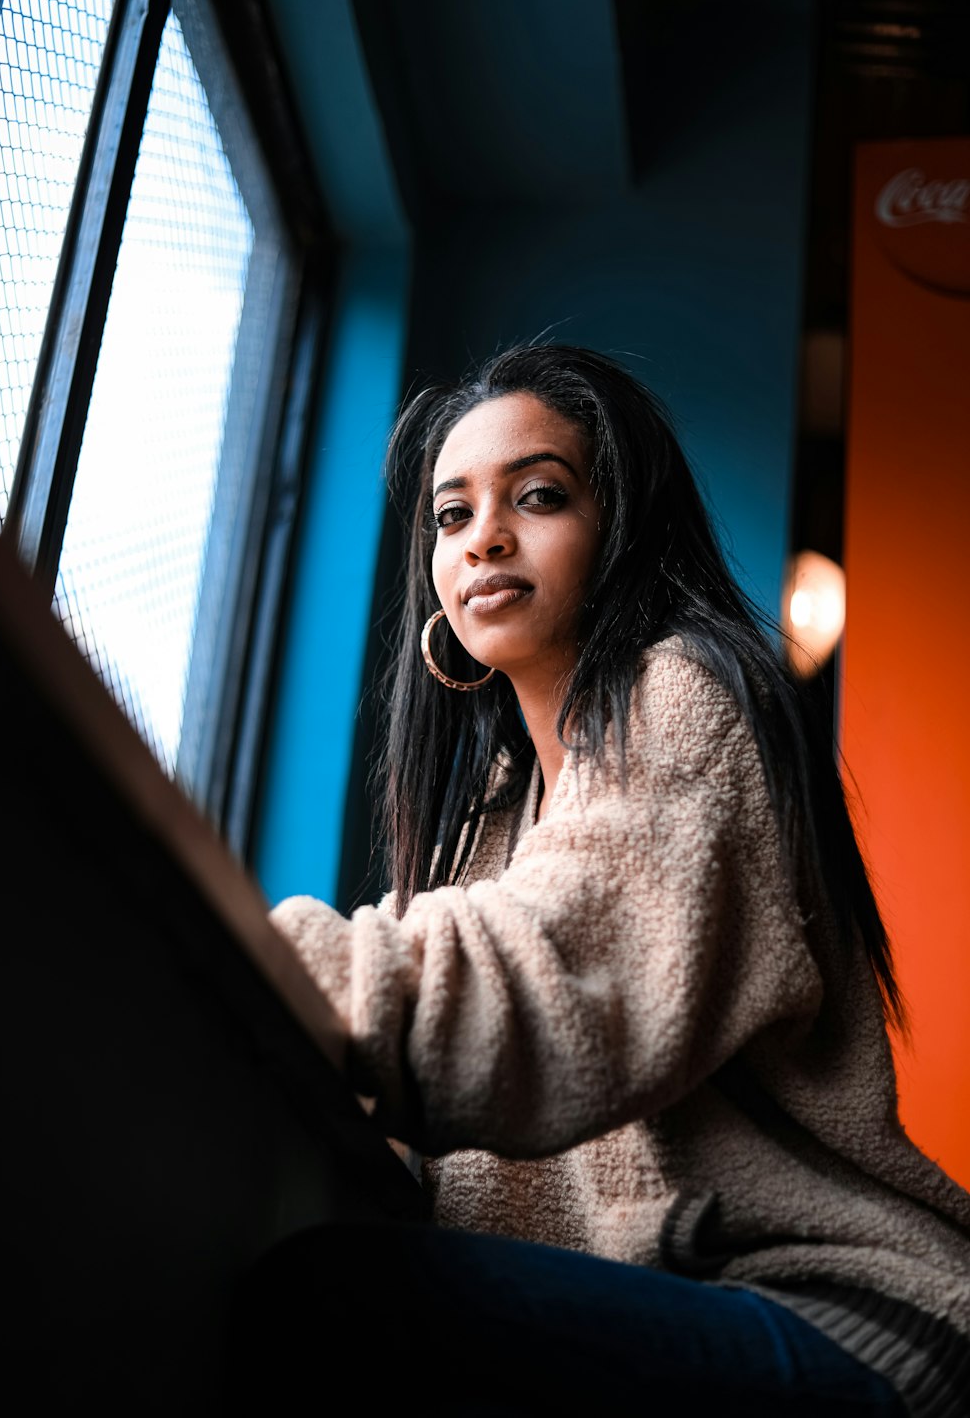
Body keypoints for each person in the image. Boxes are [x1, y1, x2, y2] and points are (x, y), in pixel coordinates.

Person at [236, 345, 970, 1414]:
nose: (483, 535)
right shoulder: (495, 806)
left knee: (330, 1300)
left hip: (845, 1318)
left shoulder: (685, 695)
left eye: (538, 496)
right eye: (450, 516)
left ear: (620, 525)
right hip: (686, 1307)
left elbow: (550, 981)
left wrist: (251, 955)